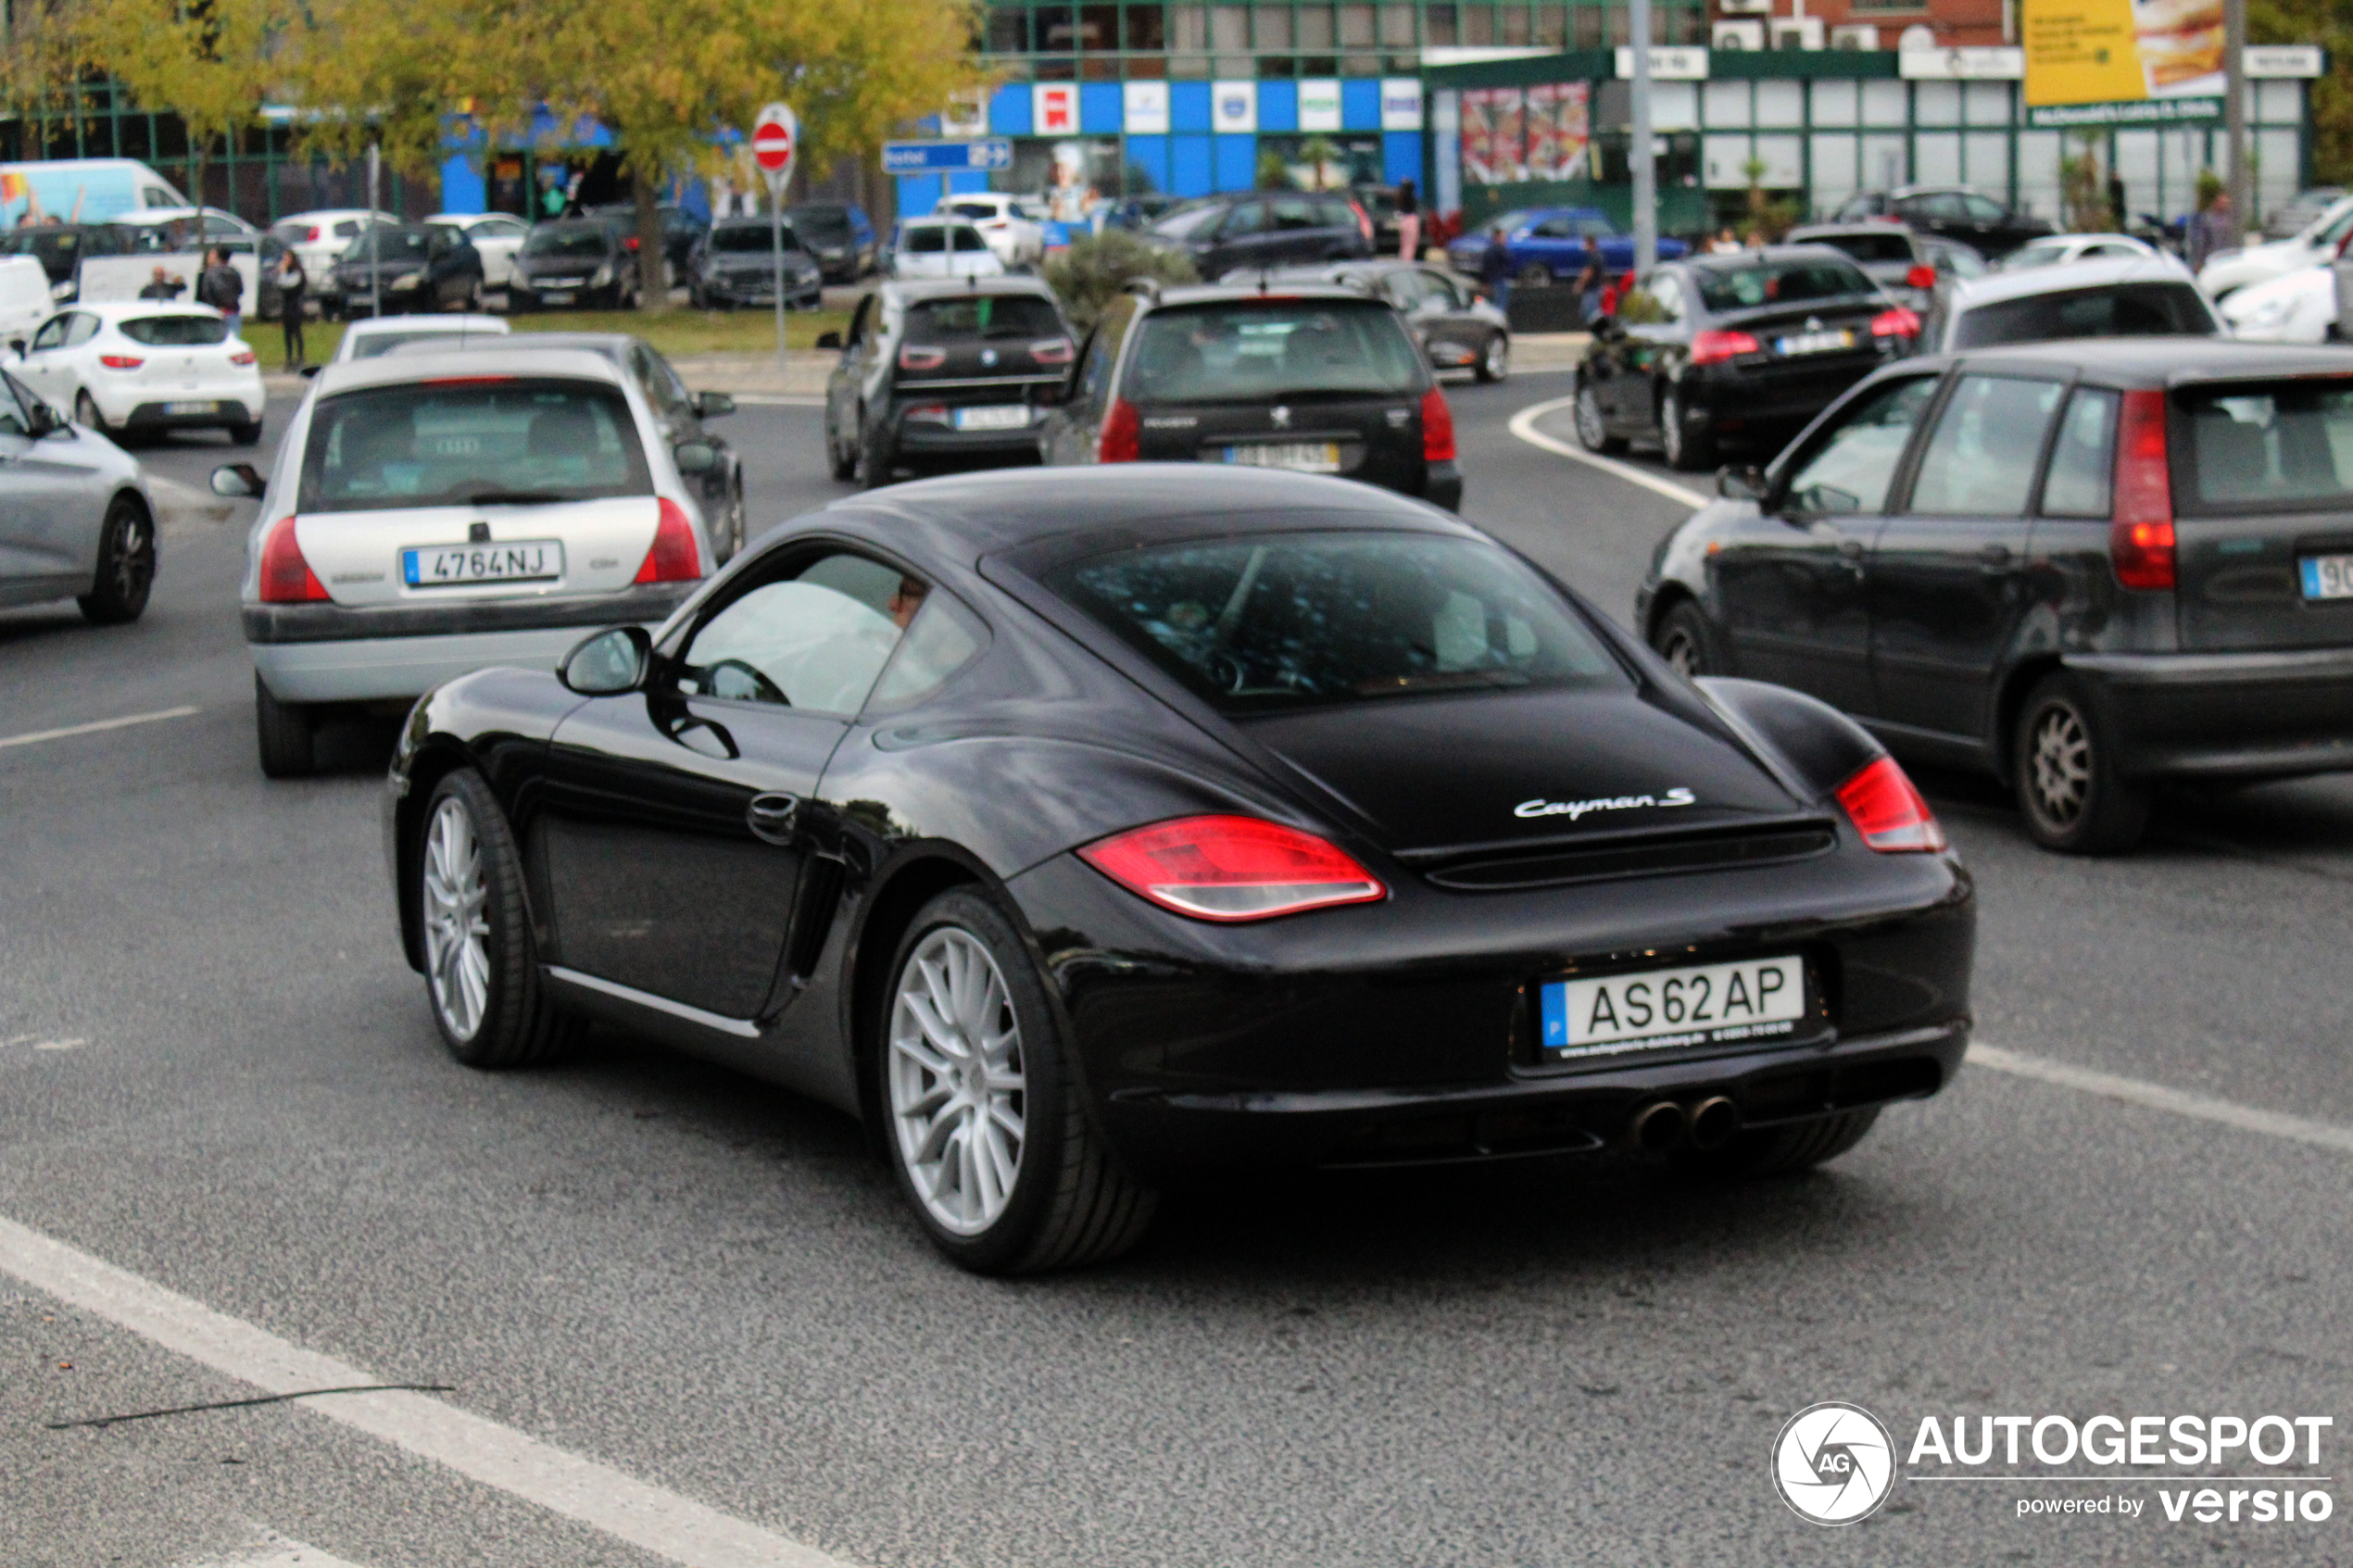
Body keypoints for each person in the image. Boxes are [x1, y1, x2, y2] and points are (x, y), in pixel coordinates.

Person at [198, 248, 244, 337]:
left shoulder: (210, 273)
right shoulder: (234, 272)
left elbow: (206, 292)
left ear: (218, 257)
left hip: (215, 311)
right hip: (232, 310)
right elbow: (240, 290)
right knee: (234, 339)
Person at [275, 248, 308, 369]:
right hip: (287, 306)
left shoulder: (297, 272)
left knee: (297, 331)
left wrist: (283, 273)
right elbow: (280, 285)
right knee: (287, 333)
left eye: (286, 258)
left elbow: (289, 285)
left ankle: (300, 357)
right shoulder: (284, 272)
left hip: (295, 305)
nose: (284, 261)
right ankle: (289, 358)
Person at [2190, 189, 2234, 271]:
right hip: (2212, 258)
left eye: (2226, 203)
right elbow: (2201, 241)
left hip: (2228, 258)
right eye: (2222, 202)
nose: (2224, 205)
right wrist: (2199, 262)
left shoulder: (2231, 220)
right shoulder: (2208, 219)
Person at [1478, 223, 1512, 314]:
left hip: (1492, 281)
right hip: (1498, 282)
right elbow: (1508, 259)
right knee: (1499, 306)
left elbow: (1484, 268)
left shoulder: (1489, 251)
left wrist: (1484, 282)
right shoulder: (1499, 250)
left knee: (1492, 304)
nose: (1505, 239)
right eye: (1503, 237)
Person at [1572, 257, 1604, 326]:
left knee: (1589, 311)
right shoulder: (1597, 257)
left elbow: (1588, 273)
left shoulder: (1593, 258)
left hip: (1592, 289)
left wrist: (1580, 284)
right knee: (1592, 310)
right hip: (1595, 289)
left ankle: (1598, 327)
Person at [1395, 179, 1419, 261]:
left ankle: (1404, 259)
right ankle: (1408, 260)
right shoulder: (1413, 197)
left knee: (1404, 243)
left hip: (1404, 220)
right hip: (1412, 220)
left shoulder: (1401, 197)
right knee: (1410, 244)